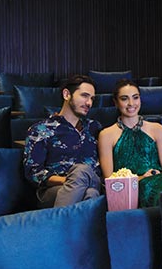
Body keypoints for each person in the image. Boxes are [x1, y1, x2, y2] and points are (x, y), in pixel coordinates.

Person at [98, 79, 162, 207]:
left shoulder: (157, 129)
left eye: (135, 97)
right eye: (124, 99)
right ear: (116, 102)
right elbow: (110, 180)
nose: (131, 103)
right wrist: (140, 178)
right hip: (129, 190)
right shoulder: (106, 135)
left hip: (159, 183)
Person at [23, 75, 103, 208]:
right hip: (52, 190)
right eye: (84, 96)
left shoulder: (94, 127)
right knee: (90, 193)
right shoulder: (41, 129)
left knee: (83, 174)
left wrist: (79, 178)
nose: (89, 102)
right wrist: (74, 180)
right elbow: (34, 174)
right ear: (67, 94)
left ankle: (59, 221)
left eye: (92, 99)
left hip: (91, 181)